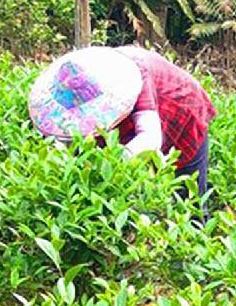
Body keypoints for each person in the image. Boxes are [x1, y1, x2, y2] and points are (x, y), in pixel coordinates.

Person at [28, 45, 217, 202]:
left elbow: (149, 139)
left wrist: (108, 171)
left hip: (182, 112)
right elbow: (63, 142)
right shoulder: (72, 87)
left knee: (190, 200)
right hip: (133, 125)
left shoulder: (134, 75)